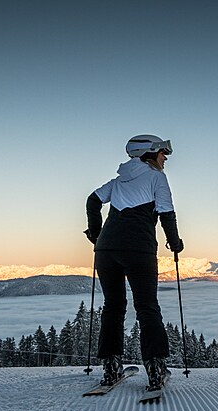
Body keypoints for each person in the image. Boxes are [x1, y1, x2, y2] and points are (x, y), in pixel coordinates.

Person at [85, 134, 183, 391]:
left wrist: (95, 233)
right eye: (163, 154)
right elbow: (166, 212)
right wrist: (175, 242)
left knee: (113, 307)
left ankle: (110, 368)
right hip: (139, 249)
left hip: (106, 249)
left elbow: (92, 201)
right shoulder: (156, 177)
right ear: (149, 154)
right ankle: (156, 369)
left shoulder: (118, 181)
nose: (165, 159)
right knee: (147, 306)